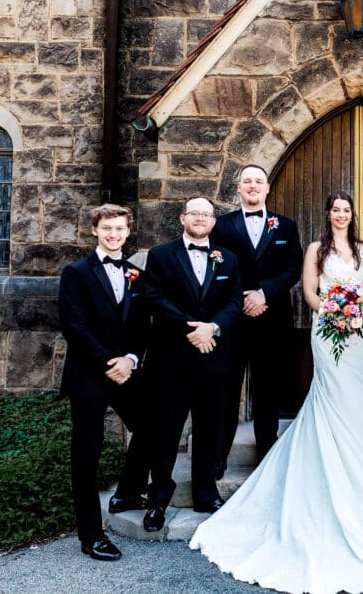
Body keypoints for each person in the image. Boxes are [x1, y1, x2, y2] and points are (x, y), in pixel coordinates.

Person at [190, 192, 363, 594]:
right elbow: (310, 292)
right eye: (335, 210)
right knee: (332, 392)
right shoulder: (314, 248)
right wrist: (332, 311)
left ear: (352, 215)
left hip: (360, 331)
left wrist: (358, 312)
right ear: (328, 214)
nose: (341, 215)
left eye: (347, 210)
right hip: (327, 331)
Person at [57, 204, 153, 561]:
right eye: (107, 228)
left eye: (120, 229)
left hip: (126, 372)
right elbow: (74, 326)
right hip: (89, 375)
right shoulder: (76, 273)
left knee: (150, 427)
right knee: (87, 453)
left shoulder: (135, 275)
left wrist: (129, 359)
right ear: (95, 230)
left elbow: (142, 327)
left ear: (128, 232)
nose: (114, 234)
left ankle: (127, 491)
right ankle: (91, 535)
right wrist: (106, 362)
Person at [141, 197, 243, 532]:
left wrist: (212, 328)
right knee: (166, 432)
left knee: (209, 429)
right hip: (172, 360)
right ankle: (158, 497)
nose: (201, 218)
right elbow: (155, 299)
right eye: (195, 213)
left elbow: (233, 301)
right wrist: (194, 329)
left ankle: (205, 493)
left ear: (214, 222)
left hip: (215, 358)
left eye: (207, 214)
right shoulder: (160, 256)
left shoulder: (228, 259)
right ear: (183, 218)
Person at [211, 164, 302, 469]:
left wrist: (264, 293)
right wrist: (243, 298)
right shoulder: (221, 226)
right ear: (238, 187)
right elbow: (217, 270)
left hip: (272, 318)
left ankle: (266, 453)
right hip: (233, 321)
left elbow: (293, 268)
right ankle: (218, 456)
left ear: (267, 188)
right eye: (247, 181)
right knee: (225, 389)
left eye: (258, 181)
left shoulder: (286, 227)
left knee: (268, 389)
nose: (252, 186)